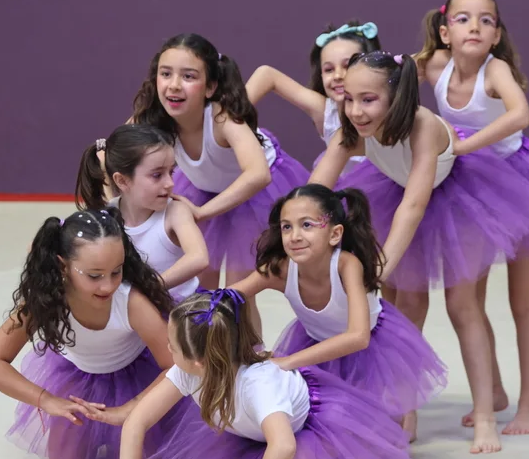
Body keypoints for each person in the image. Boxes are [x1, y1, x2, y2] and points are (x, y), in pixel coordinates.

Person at [309, 51, 529, 453]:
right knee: (405, 308)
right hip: (399, 189)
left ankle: (485, 415)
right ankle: (405, 411)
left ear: (395, 97)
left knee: (462, 304)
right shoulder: (352, 126)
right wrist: (291, 231)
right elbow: (315, 192)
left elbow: (413, 208)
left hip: (462, 197)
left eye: (368, 100)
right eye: (349, 99)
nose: (356, 111)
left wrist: (377, 270)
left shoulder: (423, 125)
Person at [416, 0, 529, 434]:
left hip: (517, 184)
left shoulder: (496, 70)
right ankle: (492, 389)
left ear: (496, 35)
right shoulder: (434, 65)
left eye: (486, 20)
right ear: (445, 32)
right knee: (467, 298)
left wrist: (465, 144)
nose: (474, 26)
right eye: (462, 19)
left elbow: (520, 114)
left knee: (521, 300)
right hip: (468, 190)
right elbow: (388, 76)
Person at [114, 289, 411, 459]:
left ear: (199, 362)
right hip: (253, 429)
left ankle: (368, 444)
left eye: (173, 346)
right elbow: (137, 422)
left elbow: (283, 446)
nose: (167, 349)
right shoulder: (187, 372)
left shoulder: (258, 385)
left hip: (312, 422)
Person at [233, 184, 447, 442]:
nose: (294, 236)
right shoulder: (279, 268)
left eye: (307, 225)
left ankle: (405, 413)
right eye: (286, 227)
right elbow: (231, 296)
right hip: (316, 343)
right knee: (326, 426)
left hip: (372, 349)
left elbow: (358, 337)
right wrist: (246, 342)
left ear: (334, 234)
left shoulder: (347, 265)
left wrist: (288, 361)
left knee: (392, 434)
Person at [0, 209, 181, 459]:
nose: (108, 286)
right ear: (63, 266)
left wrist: (131, 408)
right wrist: (47, 400)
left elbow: (175, 365)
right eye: (94, 276)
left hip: (137, 377)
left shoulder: (132, 303)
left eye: (116, 272)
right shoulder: (47, 300)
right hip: (78, 378)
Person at [130, 33, 307, 333]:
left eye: (188, 76)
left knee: (238, 290)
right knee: (199, 285)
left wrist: (202, 212)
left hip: (256, 194)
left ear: (210, 87)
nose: (174, 85)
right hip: (204, 188)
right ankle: (203, 348)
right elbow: (116, 149)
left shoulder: (222, 117)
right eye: (166, 74)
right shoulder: (156, 116)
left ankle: (250, 353)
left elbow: (258, 174)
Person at [76, 123, 208, 302]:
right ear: (122, 181)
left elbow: (199, 258)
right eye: (157, 175)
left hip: (180, 309)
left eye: (171, 172)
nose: (170, 183)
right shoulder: (108, 216)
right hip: (133, 310)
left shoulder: (175, 211)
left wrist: (150, 288)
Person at [245, 20, 381, 175]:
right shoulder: (326, 111)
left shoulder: (386, 106)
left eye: (347, 65)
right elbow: (267, 75)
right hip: (345, 187)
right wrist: (231, 114)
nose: (337, 75)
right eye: (329, 69)